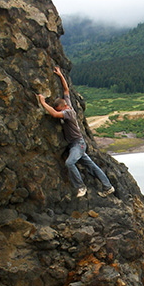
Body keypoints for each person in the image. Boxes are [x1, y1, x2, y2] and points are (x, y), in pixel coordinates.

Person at [38, 67, 115, 198]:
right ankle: (108, 187)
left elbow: (55, 114)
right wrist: (61, 75)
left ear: (63, 108)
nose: (61, 112)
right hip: (78, 144)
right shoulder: (68, 104)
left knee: (69, 163)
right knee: (92, 166)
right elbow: (66, 90)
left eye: (60, 109)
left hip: (77, 144)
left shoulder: (68, 113)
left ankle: (81, 187)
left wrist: (42, 102)